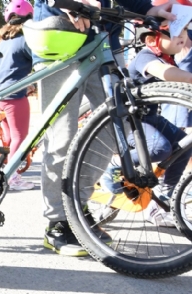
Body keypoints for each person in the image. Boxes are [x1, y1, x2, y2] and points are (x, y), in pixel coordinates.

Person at [32, 0, 177, 256]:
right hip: (63, 34)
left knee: (116, 128)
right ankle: (58, 221)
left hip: (106, 41)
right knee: (62, 135)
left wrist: (147, 8)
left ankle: (75, 204)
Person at [98, 24, 192, 227]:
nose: (183, 37)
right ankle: (114, 166)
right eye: (176, 33)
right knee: (160, 149)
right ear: (151, 40)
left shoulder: (168, 56)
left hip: (149, 118)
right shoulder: (146, 57)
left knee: (184, 146)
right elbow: (166, 73)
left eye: (185, 31)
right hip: (131, 121)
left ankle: (165, 195)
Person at [0, 0, 35, 191]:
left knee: (9, 138)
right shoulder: (26, 40)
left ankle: (3, 171)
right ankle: (12, 176)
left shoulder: (2, 43)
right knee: (21, 137)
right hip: (15, 97)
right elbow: (39, 60)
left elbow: (8, 70)